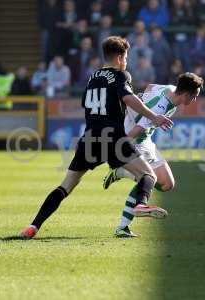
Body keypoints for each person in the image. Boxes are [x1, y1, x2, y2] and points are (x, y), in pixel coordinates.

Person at [20, 36, 173, 239]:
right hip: (114, 138)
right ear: (119, 57)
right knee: (149, 176)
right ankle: (141, 204)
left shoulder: (92, 78)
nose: (126, 61)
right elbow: (128, 98)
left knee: (66, 186)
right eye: (126, 56)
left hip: (90, 138)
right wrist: (154, 116)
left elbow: (87, 103)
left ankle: (33, 226)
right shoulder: (121, 76)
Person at [102, 72, 204, 237]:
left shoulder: (170, 89)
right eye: (195, 96)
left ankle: (123, 227)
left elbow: (150, 86)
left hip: (146, 139)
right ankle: (122, 174)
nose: (195, 100)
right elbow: (137, 130)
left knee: (167, 184)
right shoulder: (160, 107)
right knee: (149, 178)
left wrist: (141, 101)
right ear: (186, 94)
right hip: (136, 140)